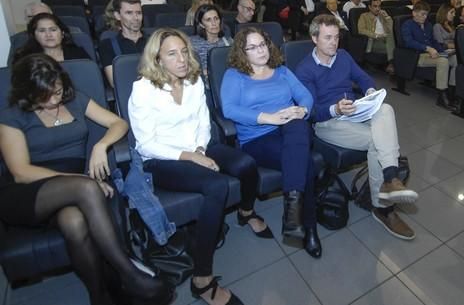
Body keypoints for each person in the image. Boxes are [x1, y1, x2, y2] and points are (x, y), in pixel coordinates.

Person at [0, 54, 173, 305]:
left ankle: (99, 296)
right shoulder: (11, 116)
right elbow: (21, 171)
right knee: (85, 188)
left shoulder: (75, 100)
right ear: (28, 93)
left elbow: (118, 123)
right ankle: (129, 273)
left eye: (57, 91)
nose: (54, 99)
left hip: (73, 189)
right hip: (29, 192)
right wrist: (82, 181)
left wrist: (101, 146)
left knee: (74, 221)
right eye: (44, 95)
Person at [128, 29, 251, 305]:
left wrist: (199, 149)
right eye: (172, 54)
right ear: (157, 59)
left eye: (184, 51)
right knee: (217, 185)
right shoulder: (144, 89)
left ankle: (246, 212)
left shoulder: (193, 81)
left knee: (245, 164)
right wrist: (189, 156)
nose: (182, 59)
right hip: (162, 160)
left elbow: (203, 122)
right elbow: (145, 144)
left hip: (199, 147)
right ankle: (202, 279)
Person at [295, 14, 419, 240]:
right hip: (328, 121)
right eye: (328, 38)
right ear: (314, 38)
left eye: (336, 37)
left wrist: (370, 94)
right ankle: (383, 207)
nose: (334, 42)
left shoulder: (343, 56)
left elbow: (364, 79)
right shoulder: (304, 70)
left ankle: (390, 179)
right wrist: (336, 109)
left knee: (386, 109)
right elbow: (311, 113)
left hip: (355, 111)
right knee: (377, 141)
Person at [220, 27, 321, 258]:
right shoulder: (234, 75)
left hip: (290, 131)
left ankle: (294, 214)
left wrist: (301, 110)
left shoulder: (282, 71)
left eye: (263, 44)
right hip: (257, 138)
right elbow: (230, 108)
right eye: (252, 47)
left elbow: (305, 95)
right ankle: (308, 226)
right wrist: (269, 117)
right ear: (242, 53)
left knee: (297, 124)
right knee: (303, 162)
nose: (260, 50)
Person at [401, 1, 454, 109]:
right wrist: (428, 48)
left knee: (454, 59)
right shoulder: (407, 25)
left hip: (431, 54)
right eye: (422, 14)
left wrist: (442, 50)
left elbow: (433, 41)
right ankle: (441, 96)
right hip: (417, 56)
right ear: (414, 13)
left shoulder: (428, 25)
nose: (425, 17)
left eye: (426, 15)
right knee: (443, 61)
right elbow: (409, 42)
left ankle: (452, 91)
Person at [98, 0, 146, 87]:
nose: (136, 18)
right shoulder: (108, 45)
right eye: (129, 13)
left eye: (139, 13)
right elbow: (115, 82)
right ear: (117, 16)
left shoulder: (154, 41)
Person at [13, 13, 90, 64]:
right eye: (42, 31)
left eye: (53, 30)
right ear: (34, 36)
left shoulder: (79, 54)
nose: (48, 34)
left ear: (62, 33)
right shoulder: (24, 59)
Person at [358, 0, 395, 74]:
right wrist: (376, 35)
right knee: (391, 40)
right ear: (369, 7)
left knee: (390, 35)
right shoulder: (364, 16)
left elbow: (391, 29)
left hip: (386, 39)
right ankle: (392, 64)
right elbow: (361, 30)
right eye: (375, 6)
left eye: (379, 6)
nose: (378, 9)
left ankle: (391, 64)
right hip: (373, 41)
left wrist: (387, 17)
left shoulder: (382, 16)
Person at [190, 4, 233, 73]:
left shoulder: (229, 42)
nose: (214, 23)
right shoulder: (192, 43)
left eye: (216, 18)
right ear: (201, 24)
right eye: (208, 20)